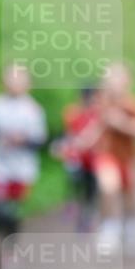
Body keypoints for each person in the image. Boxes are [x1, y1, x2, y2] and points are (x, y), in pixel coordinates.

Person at [0, 64, 47, 246]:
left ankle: (11, 246)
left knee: (12, 210)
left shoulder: (33, 110)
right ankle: (3, 237)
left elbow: (39, 141)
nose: (14, 82)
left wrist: (22, 141)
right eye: (10, 78)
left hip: (22, 169)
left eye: (19, 78)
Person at [93, 62, 135, 255]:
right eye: (110, 78)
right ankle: (109, 229)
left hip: (129, 157)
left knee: (130, 198)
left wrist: (120, 123)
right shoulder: (100, 105)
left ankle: (132, 229)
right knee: (108, 189)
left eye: (118, 78)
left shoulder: (132, 105)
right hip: (107, 156)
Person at [55, 86, 100, 233]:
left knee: (91, 189)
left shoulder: (99, 114)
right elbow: (68, 133)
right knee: (75, 184)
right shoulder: (73, 113)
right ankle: (76, 209)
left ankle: (87, 216)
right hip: (76, 157)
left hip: (93, 160)